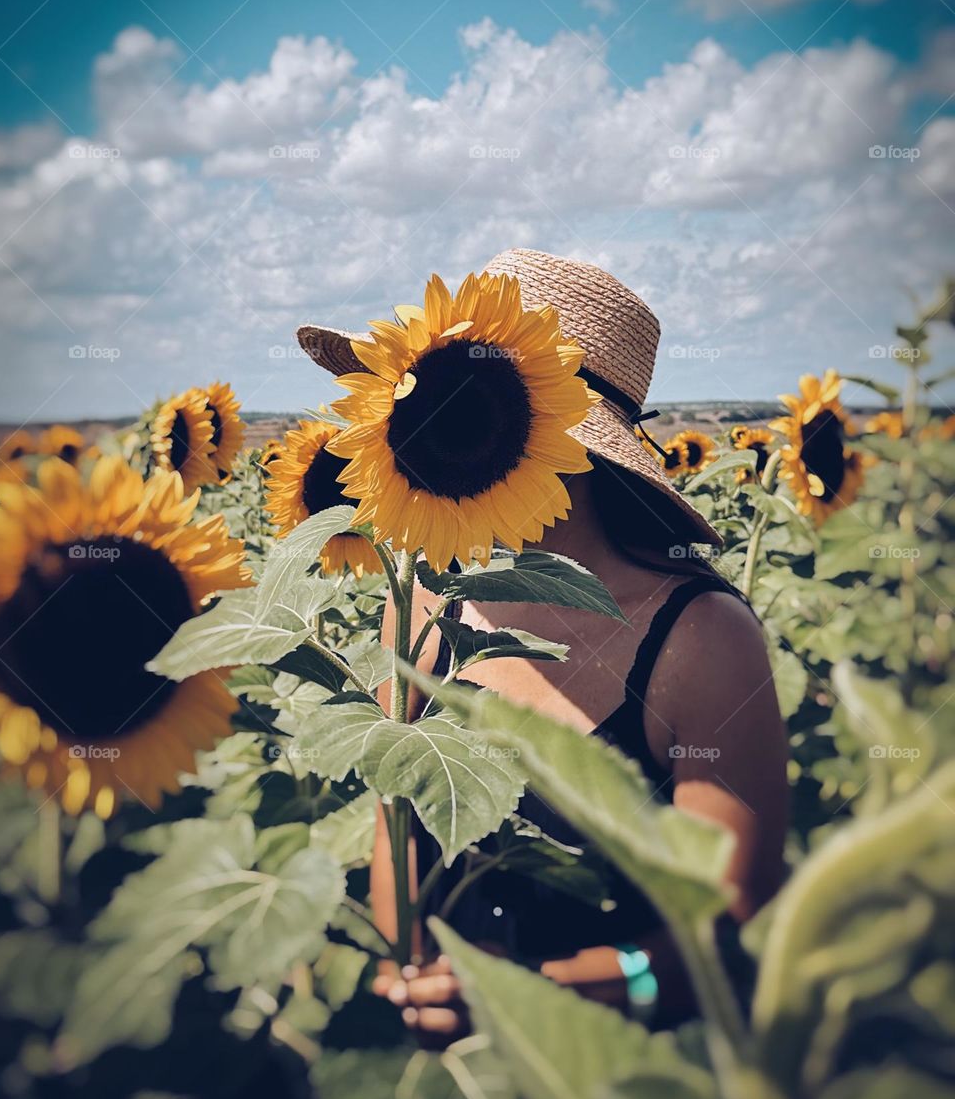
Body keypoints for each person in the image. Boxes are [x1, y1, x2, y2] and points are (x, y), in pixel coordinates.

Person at [296, 248, 789, 1040]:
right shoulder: (421, 606)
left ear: (568, 436)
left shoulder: (701, 639)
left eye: (462, 411)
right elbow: (398, 827)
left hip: (614, 1068)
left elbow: (733, 923)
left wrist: (535, 996)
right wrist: (410, 975)